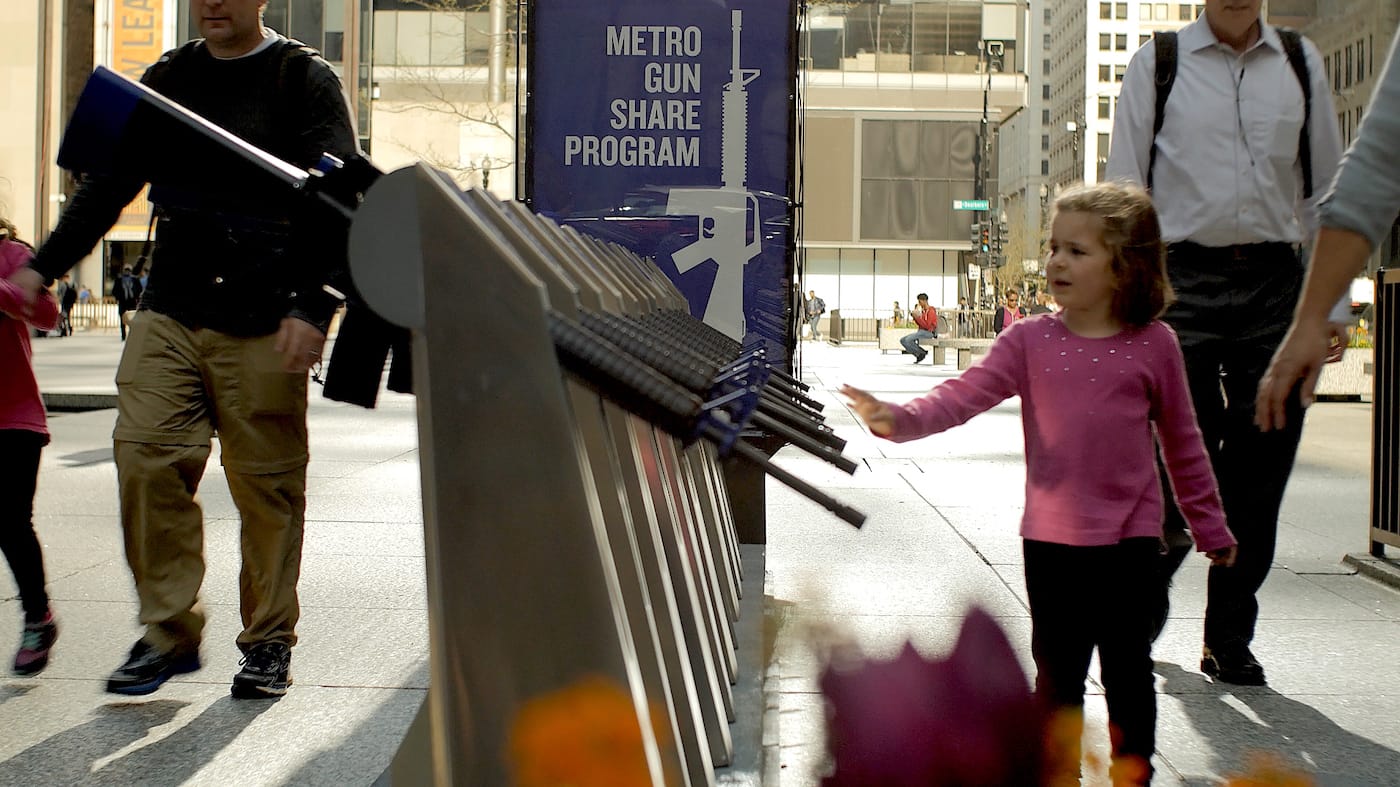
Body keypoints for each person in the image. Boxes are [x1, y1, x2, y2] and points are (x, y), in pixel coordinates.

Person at [6, 0, 358, 699]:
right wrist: (43, 266)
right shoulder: (169, 75)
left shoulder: (301, 78)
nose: (211, 2)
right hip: (171, 307)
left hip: (264, 313)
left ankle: (266, 643)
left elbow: (343, 196)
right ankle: (168, 629)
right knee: (144, 457)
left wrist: (315, 304)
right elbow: (109, 185)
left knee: (268, 491)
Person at [841, 183, 1236, 784]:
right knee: (1057, 675)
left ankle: (1134, 774)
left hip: (1131, 545)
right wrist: (901, 420)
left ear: (1125, 266)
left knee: (1129, 671)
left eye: (1076, 251)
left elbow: (1184, 445)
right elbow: (961, 396)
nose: (1055, 262)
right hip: (1051, 546)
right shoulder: (1028, 340)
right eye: (1054, 248)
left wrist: (1208, 525)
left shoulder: (1155, 347)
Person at [1105, 0, 1344, 685]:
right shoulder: (1159, 63)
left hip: (1277, 284)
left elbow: (1325, 193)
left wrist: (1328, 305)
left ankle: (1228, 636)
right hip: (1181, 282)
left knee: (1261, 472)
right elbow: (1126, 193)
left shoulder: (1299, 63)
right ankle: (1137, 617)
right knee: (1177, 470)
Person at [1258, 27, 1400, 428]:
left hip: (1273, 276)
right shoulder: (1159, 63)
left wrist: (1319, 315)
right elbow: (1373, 168)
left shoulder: (1299, 62)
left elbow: (1356, 178)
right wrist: (1315, 317)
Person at [0, 217, 61, 675]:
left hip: (13, 417)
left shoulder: (13, 255)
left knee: (10, 521)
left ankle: (37, 617)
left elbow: (46, 314)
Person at [899, 293, 938, 364]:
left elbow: (927, 326)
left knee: (908, 340)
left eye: (920, 302)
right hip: (922, 331)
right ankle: (919, 353)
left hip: (928, 332)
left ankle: (921, 353)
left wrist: (917, 318)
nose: (919, 304)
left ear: (925, 301)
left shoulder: (931, 311)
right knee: (903, 340)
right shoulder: (923, 311)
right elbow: (921, 324)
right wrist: (916, 318)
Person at [113, 265, 143, 341]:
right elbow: (115, 290)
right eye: (126, 270)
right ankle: (123, 335)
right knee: (122, 319)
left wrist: (137, 298)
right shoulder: (119, 280)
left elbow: (140, 289)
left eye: (128, 270)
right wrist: (118, 298)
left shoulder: (135, 280)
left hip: (132, 302)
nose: (127, 271)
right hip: (123, 302)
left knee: (133, 320)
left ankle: (132, 335)